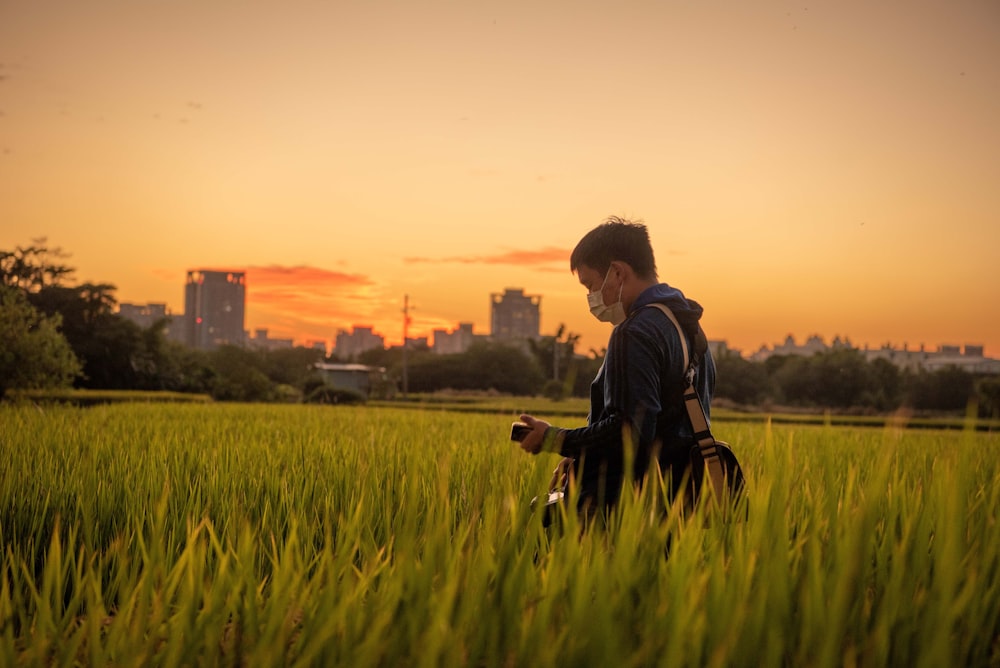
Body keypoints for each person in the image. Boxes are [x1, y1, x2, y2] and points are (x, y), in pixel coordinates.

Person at [516, 216, 716, 519]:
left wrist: (555, 438)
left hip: (623, 509)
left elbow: (629, 431)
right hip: (674, 505)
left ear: (618, 272)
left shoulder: (634, 332)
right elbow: (668, 423)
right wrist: (582, 457)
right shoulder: (688, 327)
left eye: (591, 285)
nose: (590, 297)